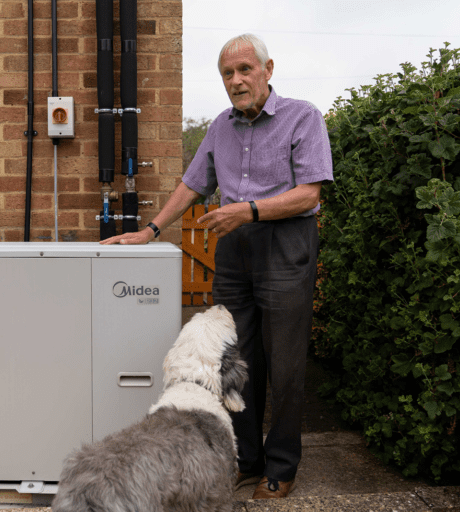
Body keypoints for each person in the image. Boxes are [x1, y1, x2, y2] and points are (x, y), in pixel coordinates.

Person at [101, 33, 333, 500]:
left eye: (245, 70)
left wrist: (247, 209)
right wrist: (150, 230)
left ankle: (282, 465)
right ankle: (245, 458)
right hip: (234, 253)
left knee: (285, 365)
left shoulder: (303, 117)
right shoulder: (219, 128)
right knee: (235, 362)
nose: (236, 80)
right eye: (228, 73)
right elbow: (192, 185)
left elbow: (310, 193)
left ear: (268, 70)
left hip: (286, 246)